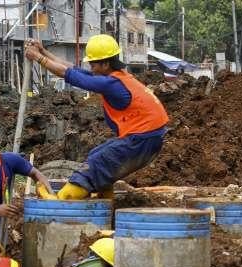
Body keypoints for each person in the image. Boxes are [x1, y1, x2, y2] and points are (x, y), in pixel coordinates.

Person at [25, 34, 169, 200]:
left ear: (106, 63)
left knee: (96, 165)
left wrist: (37, 57)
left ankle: (64, 200)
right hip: (148, 138)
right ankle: (105, 198)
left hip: (141, 140)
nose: (91, 68)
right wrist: (43, 52)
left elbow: (68, 74)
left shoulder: (110, 84)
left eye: (93, 64)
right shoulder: (116, 78)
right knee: (96, 155)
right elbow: (73, 69)